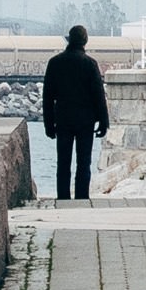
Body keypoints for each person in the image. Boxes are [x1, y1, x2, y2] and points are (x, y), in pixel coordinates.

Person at [42, 24, 110, 200]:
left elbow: (48, 97)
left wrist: (48, 125)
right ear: (85, 41)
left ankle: (63, 197)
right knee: (84, 162)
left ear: (69, 39)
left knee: (63, 162)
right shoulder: (90, 64)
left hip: (63, 119)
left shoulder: (55, 63)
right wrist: (104, 122)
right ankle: (81, 197)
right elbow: (98, 95)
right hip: (85, 121)